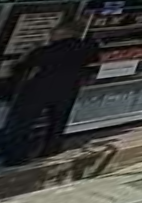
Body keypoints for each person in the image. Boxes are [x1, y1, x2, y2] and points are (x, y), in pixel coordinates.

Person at [2, 24, 99, 166]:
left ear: (62, 34)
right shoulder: (86, 48)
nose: (51, 36)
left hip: (39, 89)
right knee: (58, 121)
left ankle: (16, 156)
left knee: (23, 122)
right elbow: (93, 59)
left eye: (53, 34)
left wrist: (27, 54)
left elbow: (21, 67)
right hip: (68, 89)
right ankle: (51, 148)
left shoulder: (45, 51)